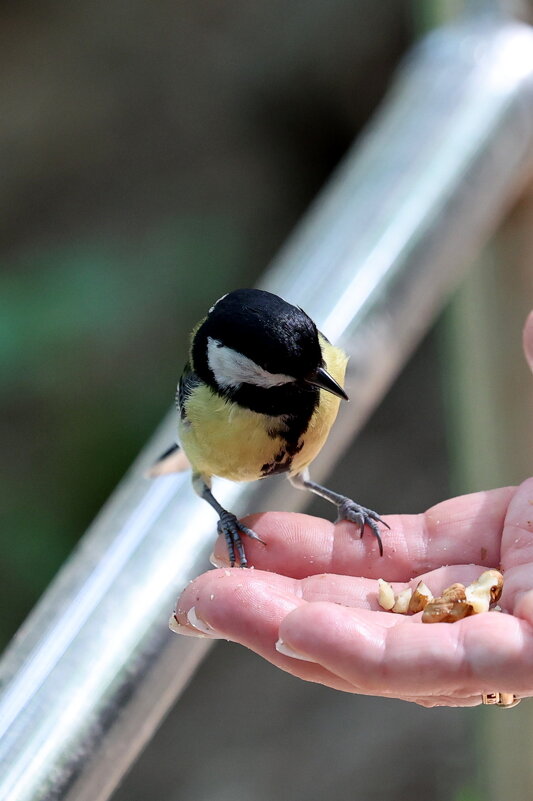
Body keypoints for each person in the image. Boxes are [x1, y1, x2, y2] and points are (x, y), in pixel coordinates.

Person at [171, 312, 533, 708]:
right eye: (292, 371)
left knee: (302, 475)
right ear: (229, 366)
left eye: (318, 364)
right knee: (206, 488)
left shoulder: (315, 359)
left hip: (295, 458)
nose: (321, 377)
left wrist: (346, 504)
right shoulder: (203, 397)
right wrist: (227, 520)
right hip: (220, 457)